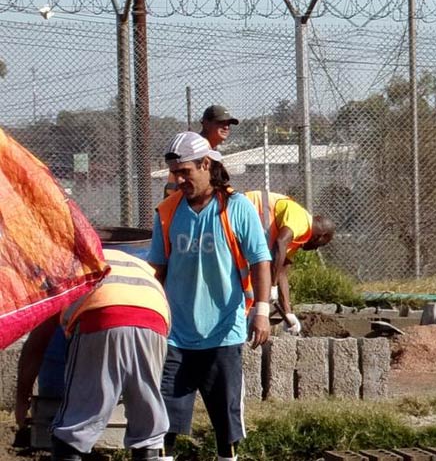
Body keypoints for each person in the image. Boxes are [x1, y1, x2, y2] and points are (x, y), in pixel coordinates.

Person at [148, 131, 272, 461]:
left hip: (223, 332)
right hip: (176, 336)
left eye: (185, 172)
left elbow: (261, 261)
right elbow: (156, 269)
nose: (178, 179)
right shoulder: (166, 213)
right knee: (164, 423)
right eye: (175, 173)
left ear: (206, 164)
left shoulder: (237, 207)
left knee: (225, 424)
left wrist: (261, 311)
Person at [15, 249, 171, 461]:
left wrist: (21, 398)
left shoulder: (67, 269)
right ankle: (150, 452)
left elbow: (36, 345)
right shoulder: (134, 262)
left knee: (76, 422)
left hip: (101, 314)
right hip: (155, 316)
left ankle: (68, 453)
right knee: (147, 420)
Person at [243, 191, 336, 334]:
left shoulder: (298, 240)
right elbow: (280, 242)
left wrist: (288, 312)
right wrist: (271, 285)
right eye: (320, 245)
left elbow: (281, 273)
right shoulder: (302, 221)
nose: (316, 248)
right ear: (321, 237)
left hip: (247, 227)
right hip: (242, 210)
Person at [164, 104, 239, 197]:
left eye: (228, 124)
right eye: (221, 122)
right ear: (206, 123)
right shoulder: (195, 148)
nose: (226, 127)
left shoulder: (207, 148)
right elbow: (173, 187)